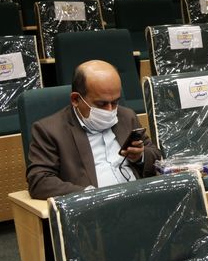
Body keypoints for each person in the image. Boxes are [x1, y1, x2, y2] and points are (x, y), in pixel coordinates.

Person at [26, 60, 162, 199]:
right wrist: (89, 195)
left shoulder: (126, 116)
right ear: (75, 99)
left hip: (140, 197)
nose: (110, 110)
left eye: (115, 102)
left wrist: (140, 156)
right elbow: (39, 181)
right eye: (101, 104)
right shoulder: (50, 130)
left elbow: (156, 155)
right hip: (96, 205)